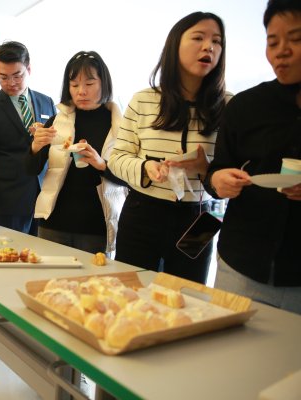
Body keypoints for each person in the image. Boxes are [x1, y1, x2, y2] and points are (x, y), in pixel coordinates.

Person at [108, 12, 228, 284]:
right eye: (198, 38)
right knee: (130, 289)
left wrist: (206, 169)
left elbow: (233, 168)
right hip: (143, 211)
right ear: (174, 45)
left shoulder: (228, 105)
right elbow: (117, 158)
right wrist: (145, 167)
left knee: (185, 294)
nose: (209, 47)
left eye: (217, 41)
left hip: (200, 215)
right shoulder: (144, 100)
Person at [206, 0, 301, 314]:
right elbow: (217, 170)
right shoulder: (245, 106)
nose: (281, 51)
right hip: (240, 267)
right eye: (273, 42)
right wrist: (217, 180)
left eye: (296, 38)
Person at [27, 51, 126, 255]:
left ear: (104, 83)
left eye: (89, 84)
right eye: (74, 85)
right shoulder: (56, 121)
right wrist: (35, 147)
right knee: (48, 275)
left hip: (97, 226)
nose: (81, 91)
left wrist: (101, 165)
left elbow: (131, 179)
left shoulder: (120, 126)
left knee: (93, 276)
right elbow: (30, 170)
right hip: (53, 222)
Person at [0, 41, 56, 233]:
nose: (11, 83)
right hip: (6, 201)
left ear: (28, 69)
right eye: (3, 77)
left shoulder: (46, 102)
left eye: (17, 75)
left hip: (45, 198)